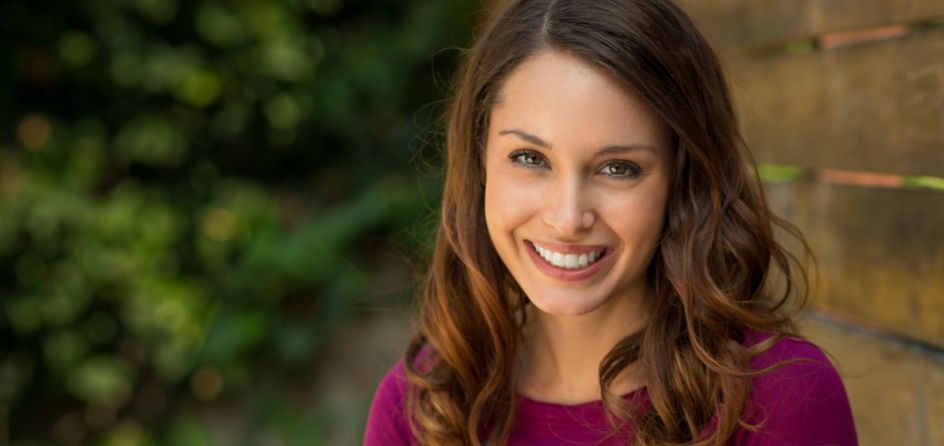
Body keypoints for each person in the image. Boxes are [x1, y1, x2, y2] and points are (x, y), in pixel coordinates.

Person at [364, 0, 858, 444]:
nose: (568, 217)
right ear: (480, 164)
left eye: (618, 168)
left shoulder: (780, 401)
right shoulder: (424, 405)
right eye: (530, 158)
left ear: (682, 182)